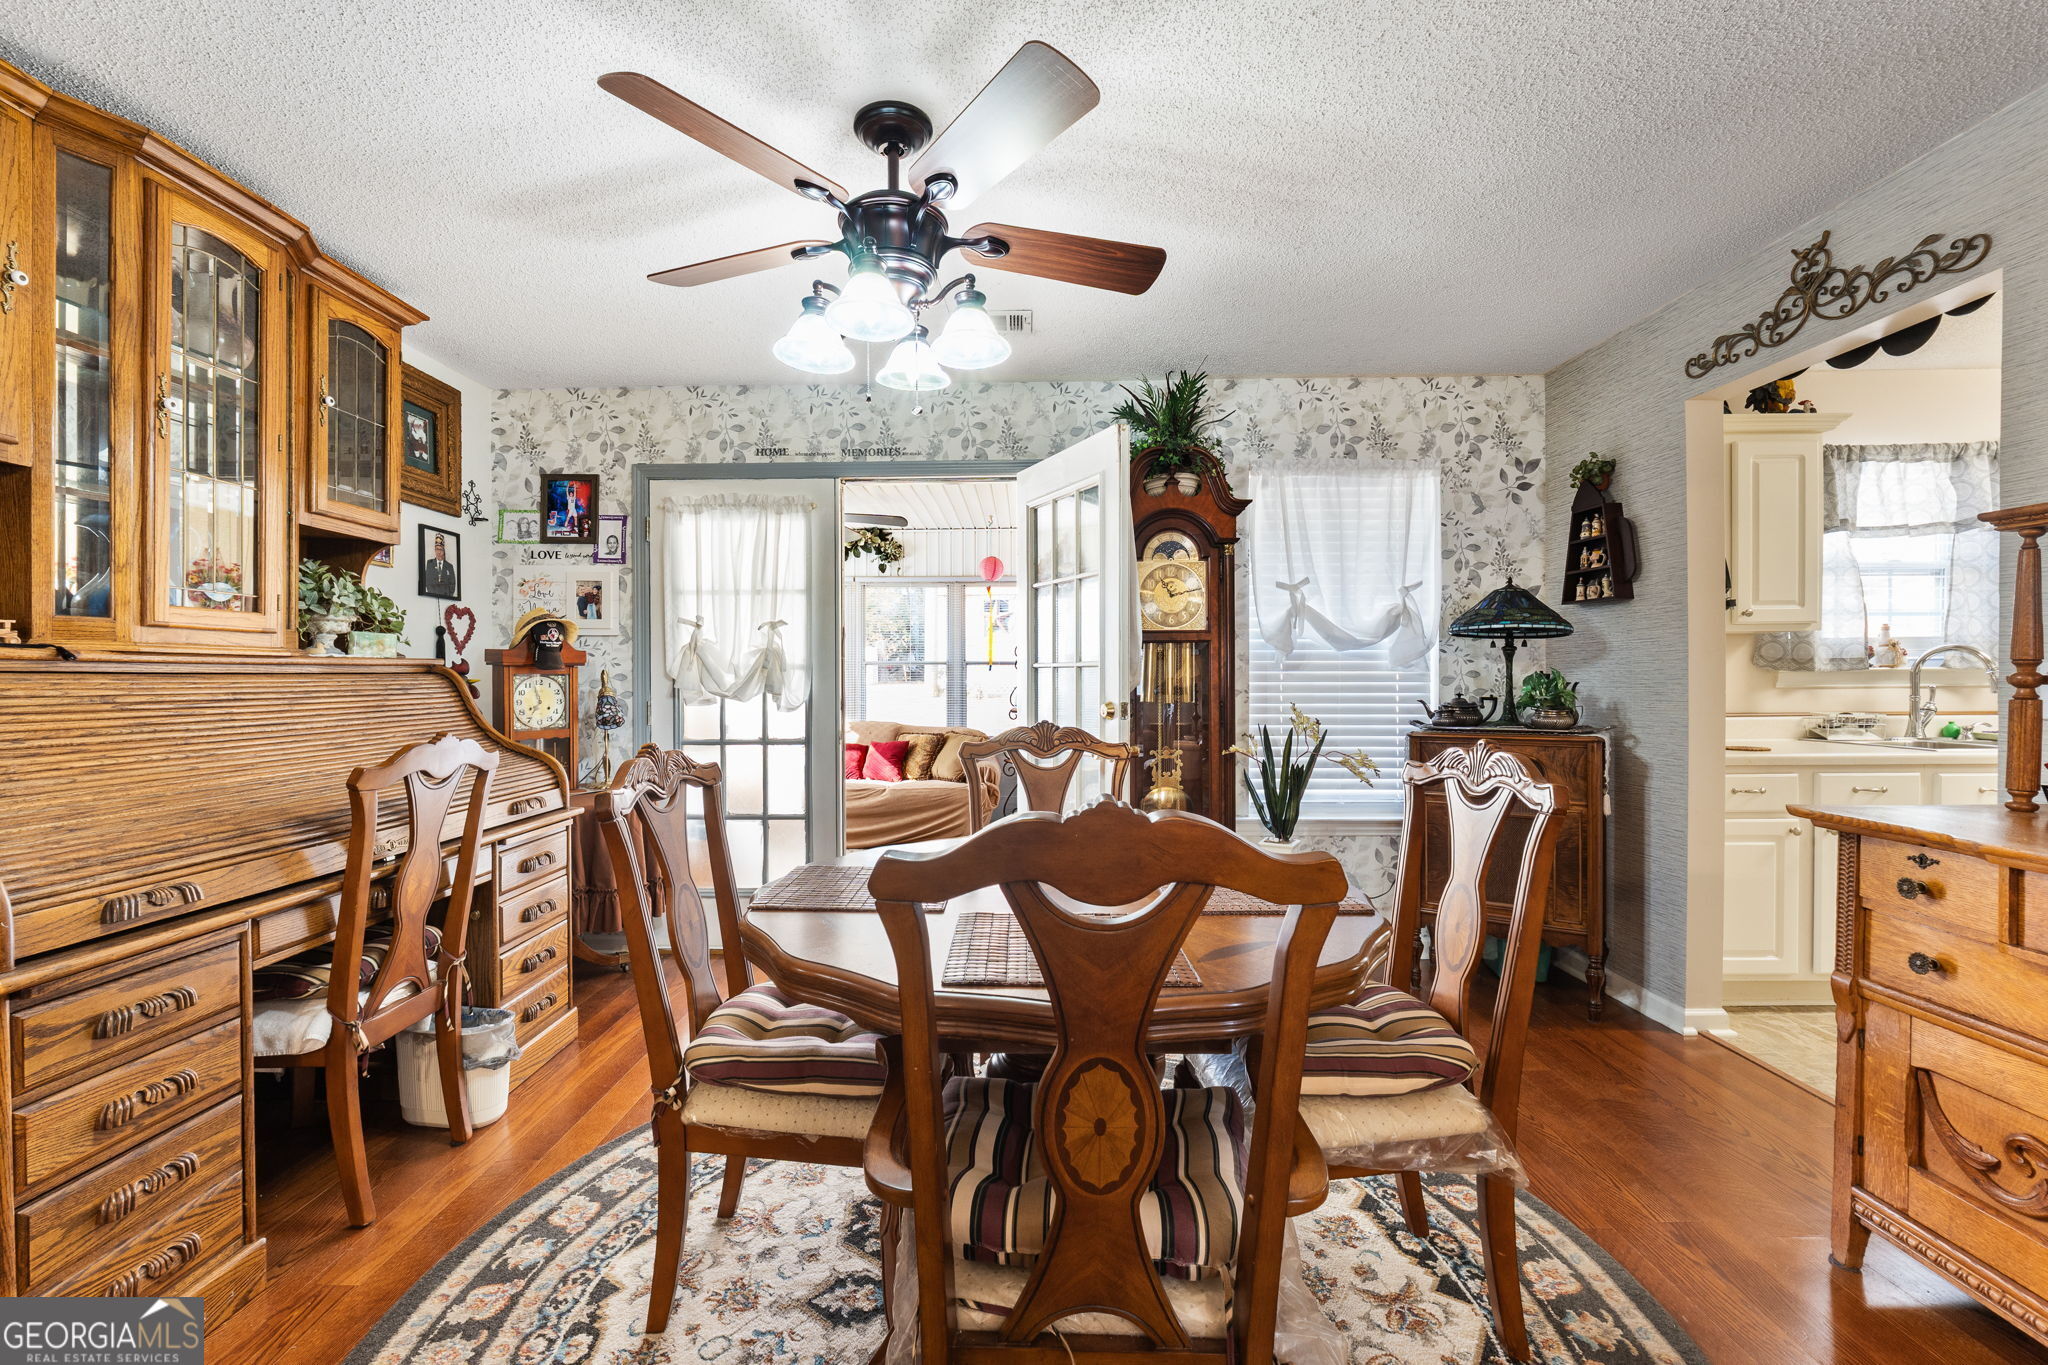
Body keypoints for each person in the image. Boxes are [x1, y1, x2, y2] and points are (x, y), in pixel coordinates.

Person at [423, 533, 458, 597]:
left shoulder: (449, 566)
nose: (438, 552)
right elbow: (427, 581)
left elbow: (452, 584)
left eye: (440, 549)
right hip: (432, 596)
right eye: (436, 549)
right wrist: (432, 594)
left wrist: (448, 596)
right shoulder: (429, 563)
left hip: (446, 596)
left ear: (444, 551)